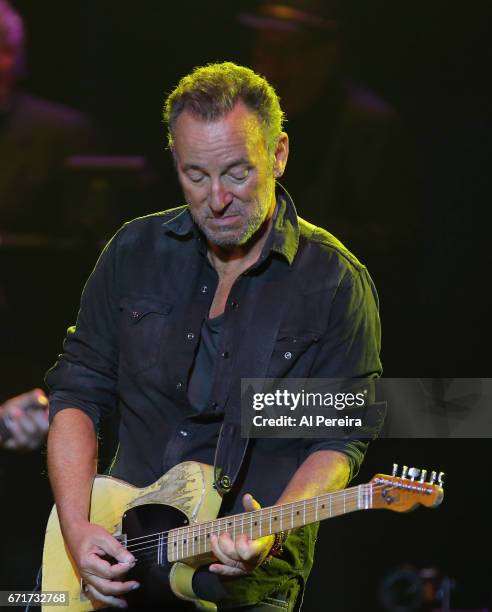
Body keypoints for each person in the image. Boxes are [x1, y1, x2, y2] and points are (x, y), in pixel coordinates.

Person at [46, 62, 382, 610]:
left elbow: (337, 438)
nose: (217, 199)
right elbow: (76, 394)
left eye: (236, 173)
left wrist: (272, 529)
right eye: (195, 176)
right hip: (118, 563)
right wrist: (76, 528)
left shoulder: (333, 283)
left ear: (279, 154)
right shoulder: (135, 252)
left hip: (244, 585)